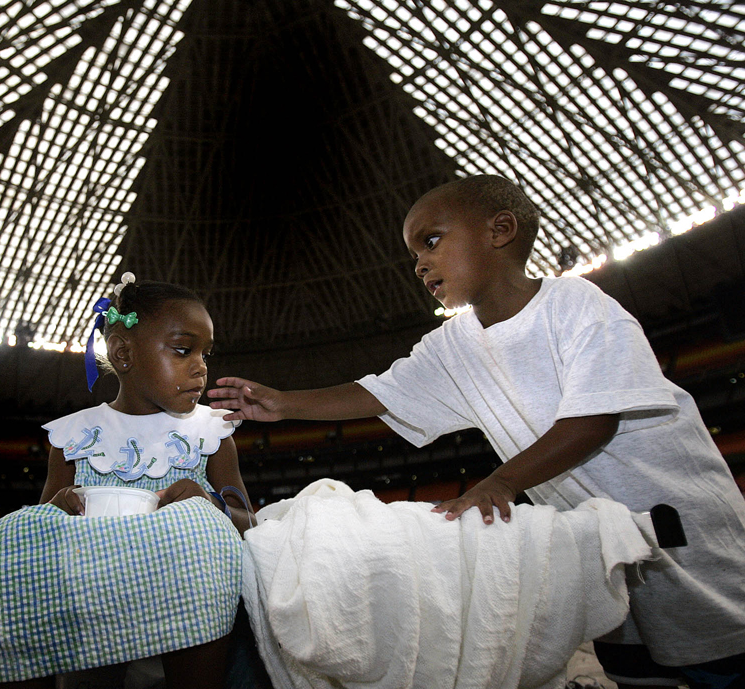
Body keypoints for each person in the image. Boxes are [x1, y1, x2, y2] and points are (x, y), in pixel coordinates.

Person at [208, 175, 745, 689]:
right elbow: (382, 392)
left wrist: (500, 484)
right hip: (594, 536)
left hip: (679, 520)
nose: (420, 263)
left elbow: (594, 419)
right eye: (415, 253)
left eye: (432, 241)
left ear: (500, 231)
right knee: (632, 658)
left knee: (717, 649)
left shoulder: (574, 304)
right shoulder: (454, 344)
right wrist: (284, 404)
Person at [0, 275, 253, 689]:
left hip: (191, 619)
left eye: (206, 354)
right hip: (94, 611)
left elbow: (250, 524)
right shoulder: (73, 439)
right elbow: (41, 534)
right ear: (123, 353)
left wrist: (211, 505)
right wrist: (59, 506)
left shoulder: (212, 433)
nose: (201, 368)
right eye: (182, 350)